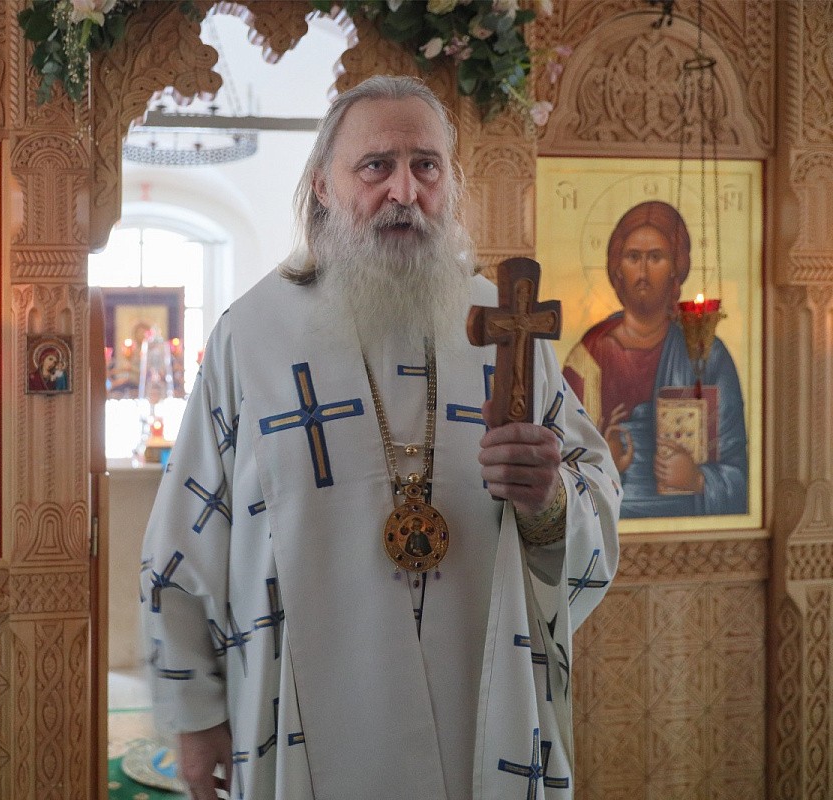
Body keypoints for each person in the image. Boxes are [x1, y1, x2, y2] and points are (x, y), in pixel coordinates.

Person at [140, 76, 620, 800]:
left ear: (450, 183)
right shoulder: (254, 335)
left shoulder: (507, 330)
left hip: (476, 694)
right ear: (322, 186)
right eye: (376, 166)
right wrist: (196, 712)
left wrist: (548, 500)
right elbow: (187, 532)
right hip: (305, 713)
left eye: (426, 166)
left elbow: (595, 492)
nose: (404, 191)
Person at [563, 200, 747, 517]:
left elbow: (740, 473)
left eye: (656, 257)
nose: (643, 271)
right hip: (608, 519)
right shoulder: (589, 355)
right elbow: (560, 461)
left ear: (676, 267)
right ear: (617, 267)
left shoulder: (707, 352)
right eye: (633, 257)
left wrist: (698, 479)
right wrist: (605, 463)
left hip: (689, 526)